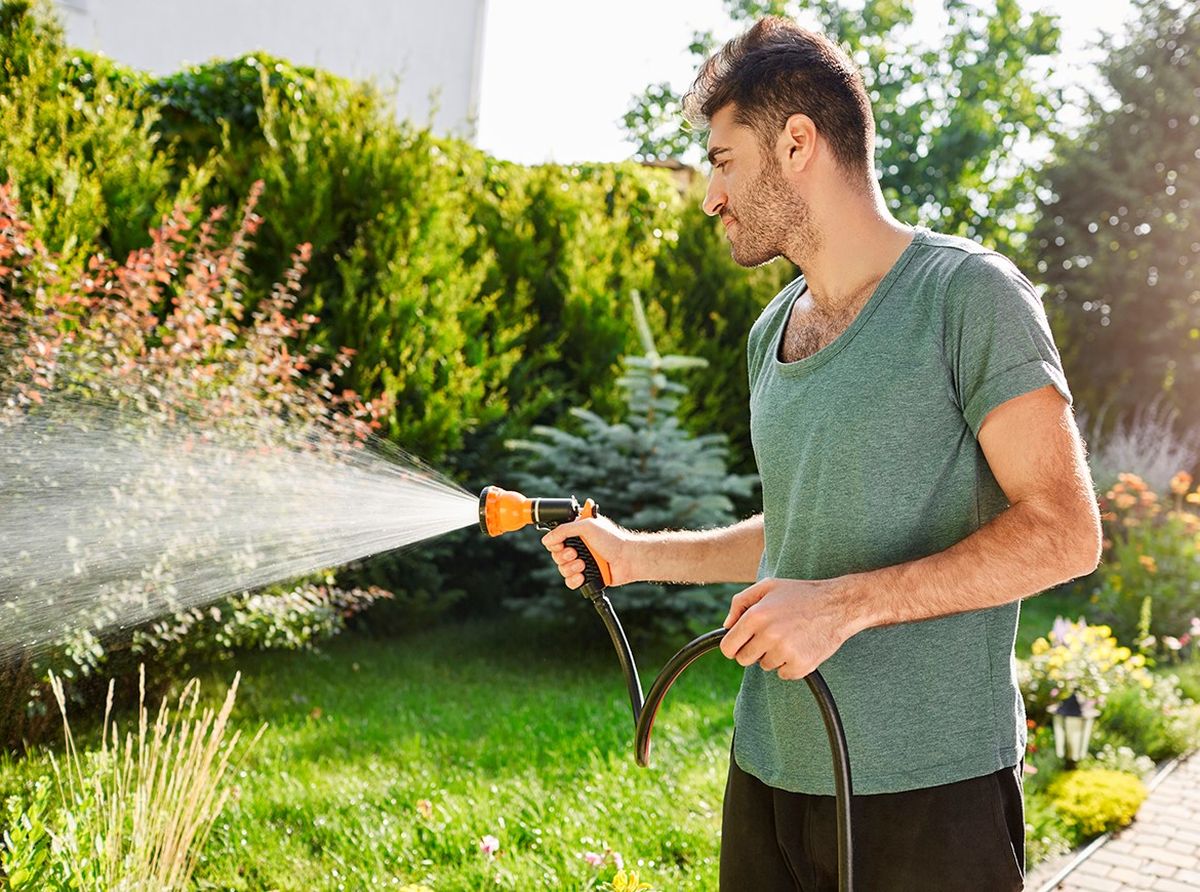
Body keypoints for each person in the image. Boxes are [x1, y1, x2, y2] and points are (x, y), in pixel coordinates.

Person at [540, 16, 1102, 892]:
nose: (710, 194)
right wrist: (636, 556)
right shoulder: (773, 330)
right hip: (768, 772)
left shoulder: (967, 297)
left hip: (929, 791)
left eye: (724, 160)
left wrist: (842, 608)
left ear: (797, 142)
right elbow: (803, 530)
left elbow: (1066, 531)